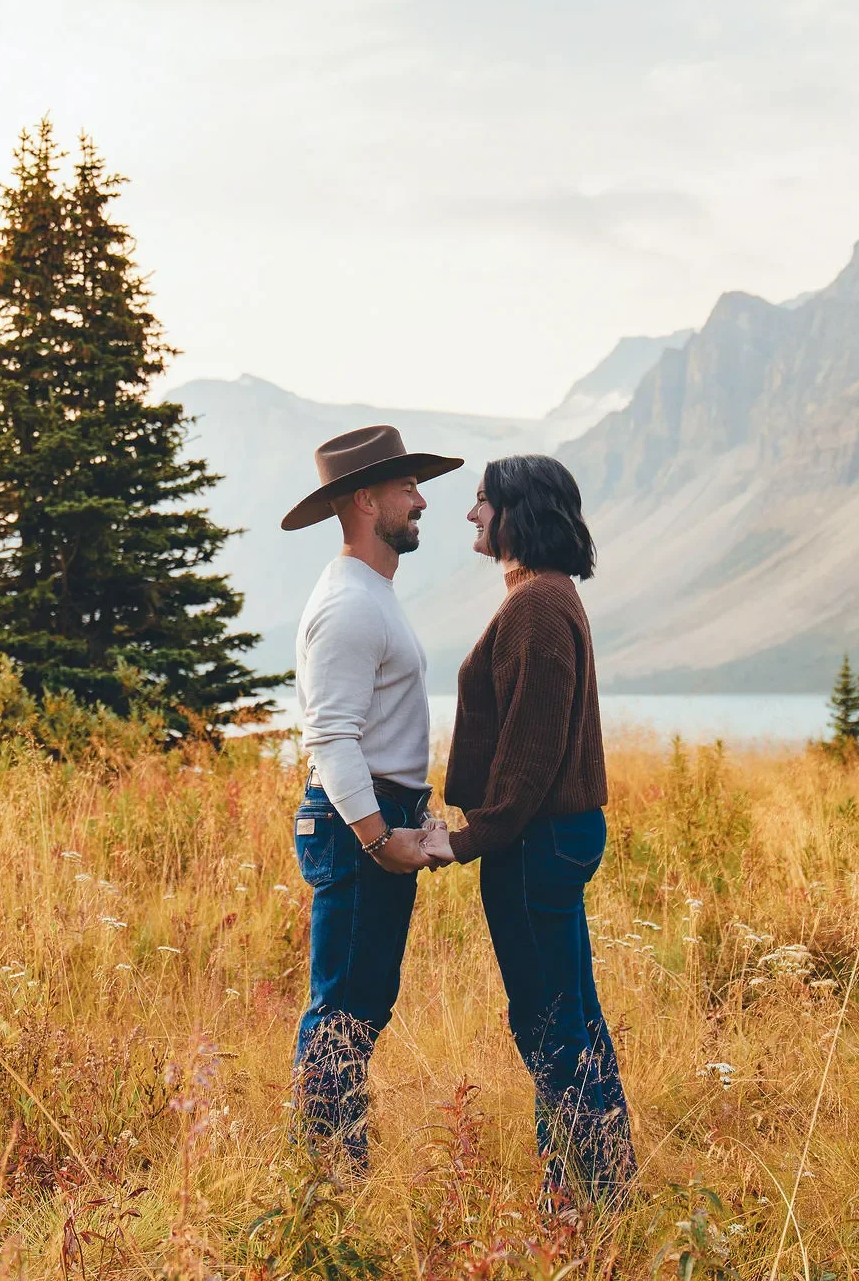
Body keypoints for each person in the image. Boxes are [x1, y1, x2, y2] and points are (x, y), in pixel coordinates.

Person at [424, 453, 635, 1205]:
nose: (471, 515)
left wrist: (470, 836)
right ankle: (605, 1184)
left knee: (548, 1026)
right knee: (572, 1016)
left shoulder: (538, 606)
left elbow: (533, 745)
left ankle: (576, 1199)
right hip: (554, 837)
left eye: (482, 501)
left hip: (534, 842)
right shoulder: (546, 595)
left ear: (517, 510)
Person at [282, 424, 463, 1171]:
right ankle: (324, 1178)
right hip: (358, 825)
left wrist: (412, 814)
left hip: (377, 815)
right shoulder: (352, 605)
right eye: (406, 487)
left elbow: (374, 730)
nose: (421, 500)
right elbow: (332, 740)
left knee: (361, 1003)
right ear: (364, 500)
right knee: (346, 1007)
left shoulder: (370, 594)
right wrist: (379, 836)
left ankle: (333, 1163)